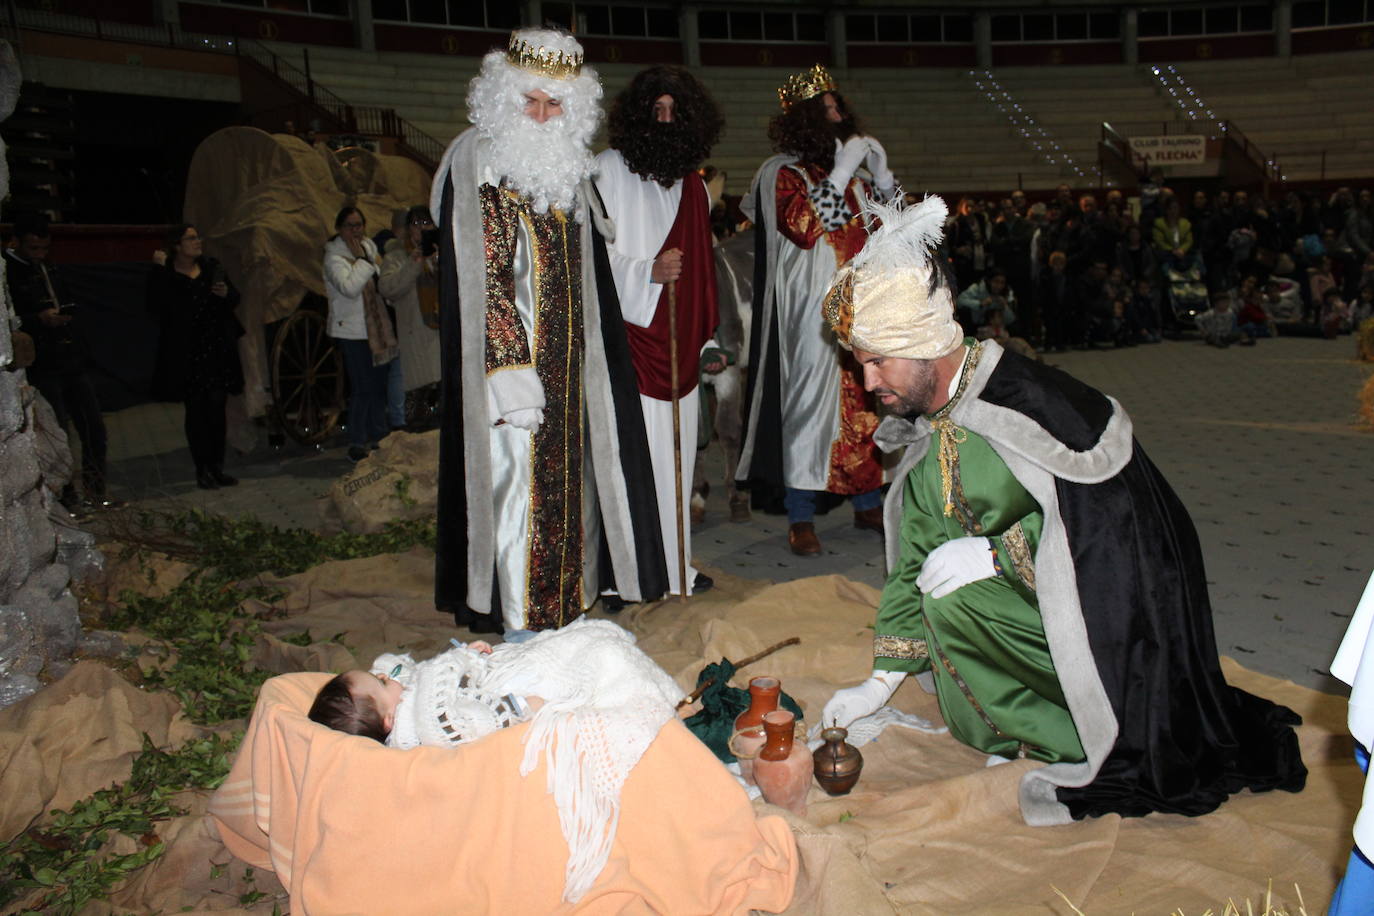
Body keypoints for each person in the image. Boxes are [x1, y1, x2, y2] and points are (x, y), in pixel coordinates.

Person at [817, 194, 1306, 825]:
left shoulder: (1038, 405)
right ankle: (1029, 728)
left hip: (1107, 625)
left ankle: (1092, 736)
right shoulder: (924, 421)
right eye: (861, 365)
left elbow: (1114, 538)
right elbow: (915, 560)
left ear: (924, 346)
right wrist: (878, 685)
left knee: (962, 591)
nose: (869, 383)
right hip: (1026, 607)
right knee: (946, 596)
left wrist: (999, 551)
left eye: (877, 362)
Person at [429, 27, 667, 637]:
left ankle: (563, 613)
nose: (540, 115)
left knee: (571, 497)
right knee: (517, 498)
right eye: (529, 100)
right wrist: (507, 371)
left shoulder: (570, 172)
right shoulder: (481, 160)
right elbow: (483, 274)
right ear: (502, 99)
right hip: (515, 375)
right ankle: (522, 630)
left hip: (570, 372)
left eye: (554, 103)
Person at [309, 618, 684, 903]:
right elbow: (472, 722)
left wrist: (456, 661)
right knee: (599, 656)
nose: (385, 673)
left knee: (580, 642)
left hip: (489, 677)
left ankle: (605, 658)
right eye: (379, 682)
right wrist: (519, 705)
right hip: (506, 696)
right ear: (389, 720)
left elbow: (398, 667)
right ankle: (647, 692)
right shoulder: (421, 717)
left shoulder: (399, 699)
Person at [737, 64, 893, 557]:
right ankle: (800, 514)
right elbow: (804, 226)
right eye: (825, 108)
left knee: (867, 403)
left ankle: (869, 499)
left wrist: (885, 183)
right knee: (809, 405)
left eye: (837, 105)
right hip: (811, 310)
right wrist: (844, 172)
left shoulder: (859, 175)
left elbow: (890, 230)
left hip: (863, 302)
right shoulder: (783, 173)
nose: (836, 114)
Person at [594, 65, 723, 598]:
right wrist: (644, 272)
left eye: (675, 111)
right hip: (629, 340)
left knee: (676, 460)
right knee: (630, 462)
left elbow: (703, 270)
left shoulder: (692, 184)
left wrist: (706, 338)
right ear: (638, 115)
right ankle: (623, 576)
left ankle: (672, 567)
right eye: (657, 110)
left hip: (677, 345)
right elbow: (591, 257)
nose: (665, 121)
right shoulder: (605, 170)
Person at [5, 215, 118, 513]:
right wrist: (37, 320)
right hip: (42, 364)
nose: (40, 254)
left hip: (70, 358)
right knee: (58, 434)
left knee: (93, 428)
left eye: (45, 248)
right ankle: (66, 498)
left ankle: (96, 492)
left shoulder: (48, 268)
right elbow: (10, 321)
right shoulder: (9, 272)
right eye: (33, 248)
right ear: (17, 242)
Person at [147, 224, 245, 489]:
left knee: (216, 409)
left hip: (215, 349)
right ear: (176, 245)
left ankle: (217, 467)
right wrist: (157, 268)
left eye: (198, 237)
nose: (197, 242)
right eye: (190, 238)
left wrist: (226, 295)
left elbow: (234, 297)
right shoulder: (166, 274)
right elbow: (153, 305)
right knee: (196, 412)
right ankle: (202, 469)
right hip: (187, 353)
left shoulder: (212, 266)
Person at [324, 206, 396, 463]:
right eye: (349, 226)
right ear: (339, 229)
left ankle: (379, 435)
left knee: (378, 384)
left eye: (359, 225)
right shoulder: (334, 258)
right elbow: (350, 288)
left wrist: (367, 259)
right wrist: (363, 262)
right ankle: (356, 439)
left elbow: (378, 282)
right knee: (362, 387)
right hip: (352, 332)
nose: (355, 231)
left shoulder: (368, 247)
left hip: (375, 329)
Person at [378, 205, 442, 429]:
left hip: (441, 337)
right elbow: (387, 288)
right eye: (416, 224)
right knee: (418, 416)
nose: (421, 229)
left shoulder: (445, 252)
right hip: (415, 338)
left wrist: (439, 261)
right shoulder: (397, 256)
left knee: (445, 417)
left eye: (426, 223)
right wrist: (414, 263)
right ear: (407, 229)